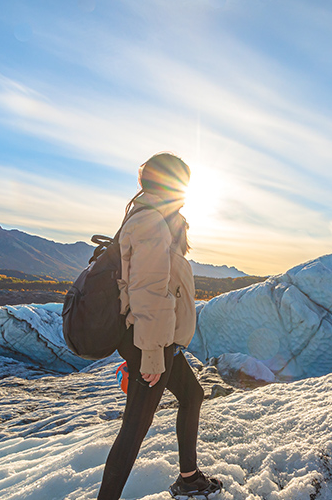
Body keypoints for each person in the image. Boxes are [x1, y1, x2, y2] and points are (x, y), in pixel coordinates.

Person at [97, 153, 223, 499]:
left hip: (155, 337)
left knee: (192, 394)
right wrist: (150, 353)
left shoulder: (155, 217)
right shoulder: (151, 222)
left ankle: (189, 477)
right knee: (135, 427)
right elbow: (149, 290)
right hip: (151, 340)